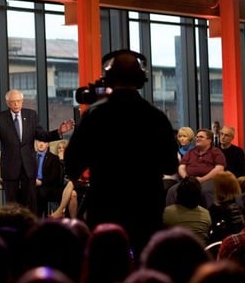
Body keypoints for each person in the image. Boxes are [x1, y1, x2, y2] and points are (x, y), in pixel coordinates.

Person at [64, 49, 179, 259]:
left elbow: (72, 165)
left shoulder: (94, 115)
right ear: (140, 79)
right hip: (146, 208)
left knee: (106, 268)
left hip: (106, 206)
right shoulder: (156, 117)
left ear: (108, 78)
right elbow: (171, 165)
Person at [0, 89, 74, 212]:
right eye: (13, 102)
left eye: (18, 101)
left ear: (22, 102)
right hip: (10, 167)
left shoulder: (31, 115)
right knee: (12, 205)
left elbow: (42, 135)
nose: (16, 104)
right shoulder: (0, 118)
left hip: (28, 166)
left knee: (30, 203)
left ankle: (30, 228)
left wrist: (59, 132)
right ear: (7, 103)